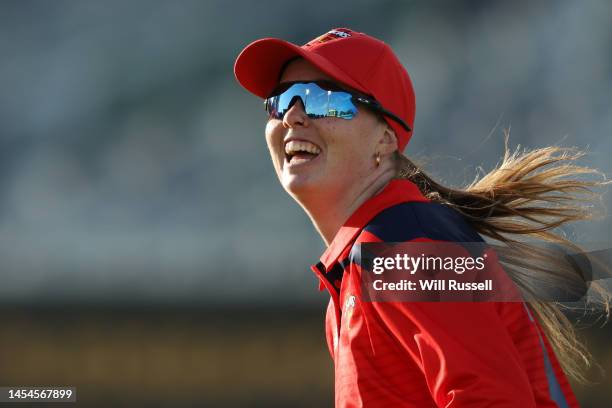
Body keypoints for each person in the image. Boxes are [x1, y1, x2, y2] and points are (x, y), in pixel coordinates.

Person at [233, 28, 610, 407]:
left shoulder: (403, 248)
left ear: (385, 139)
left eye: (323, 99)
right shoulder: (373, 259)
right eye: (280, 102)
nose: (293, 116)